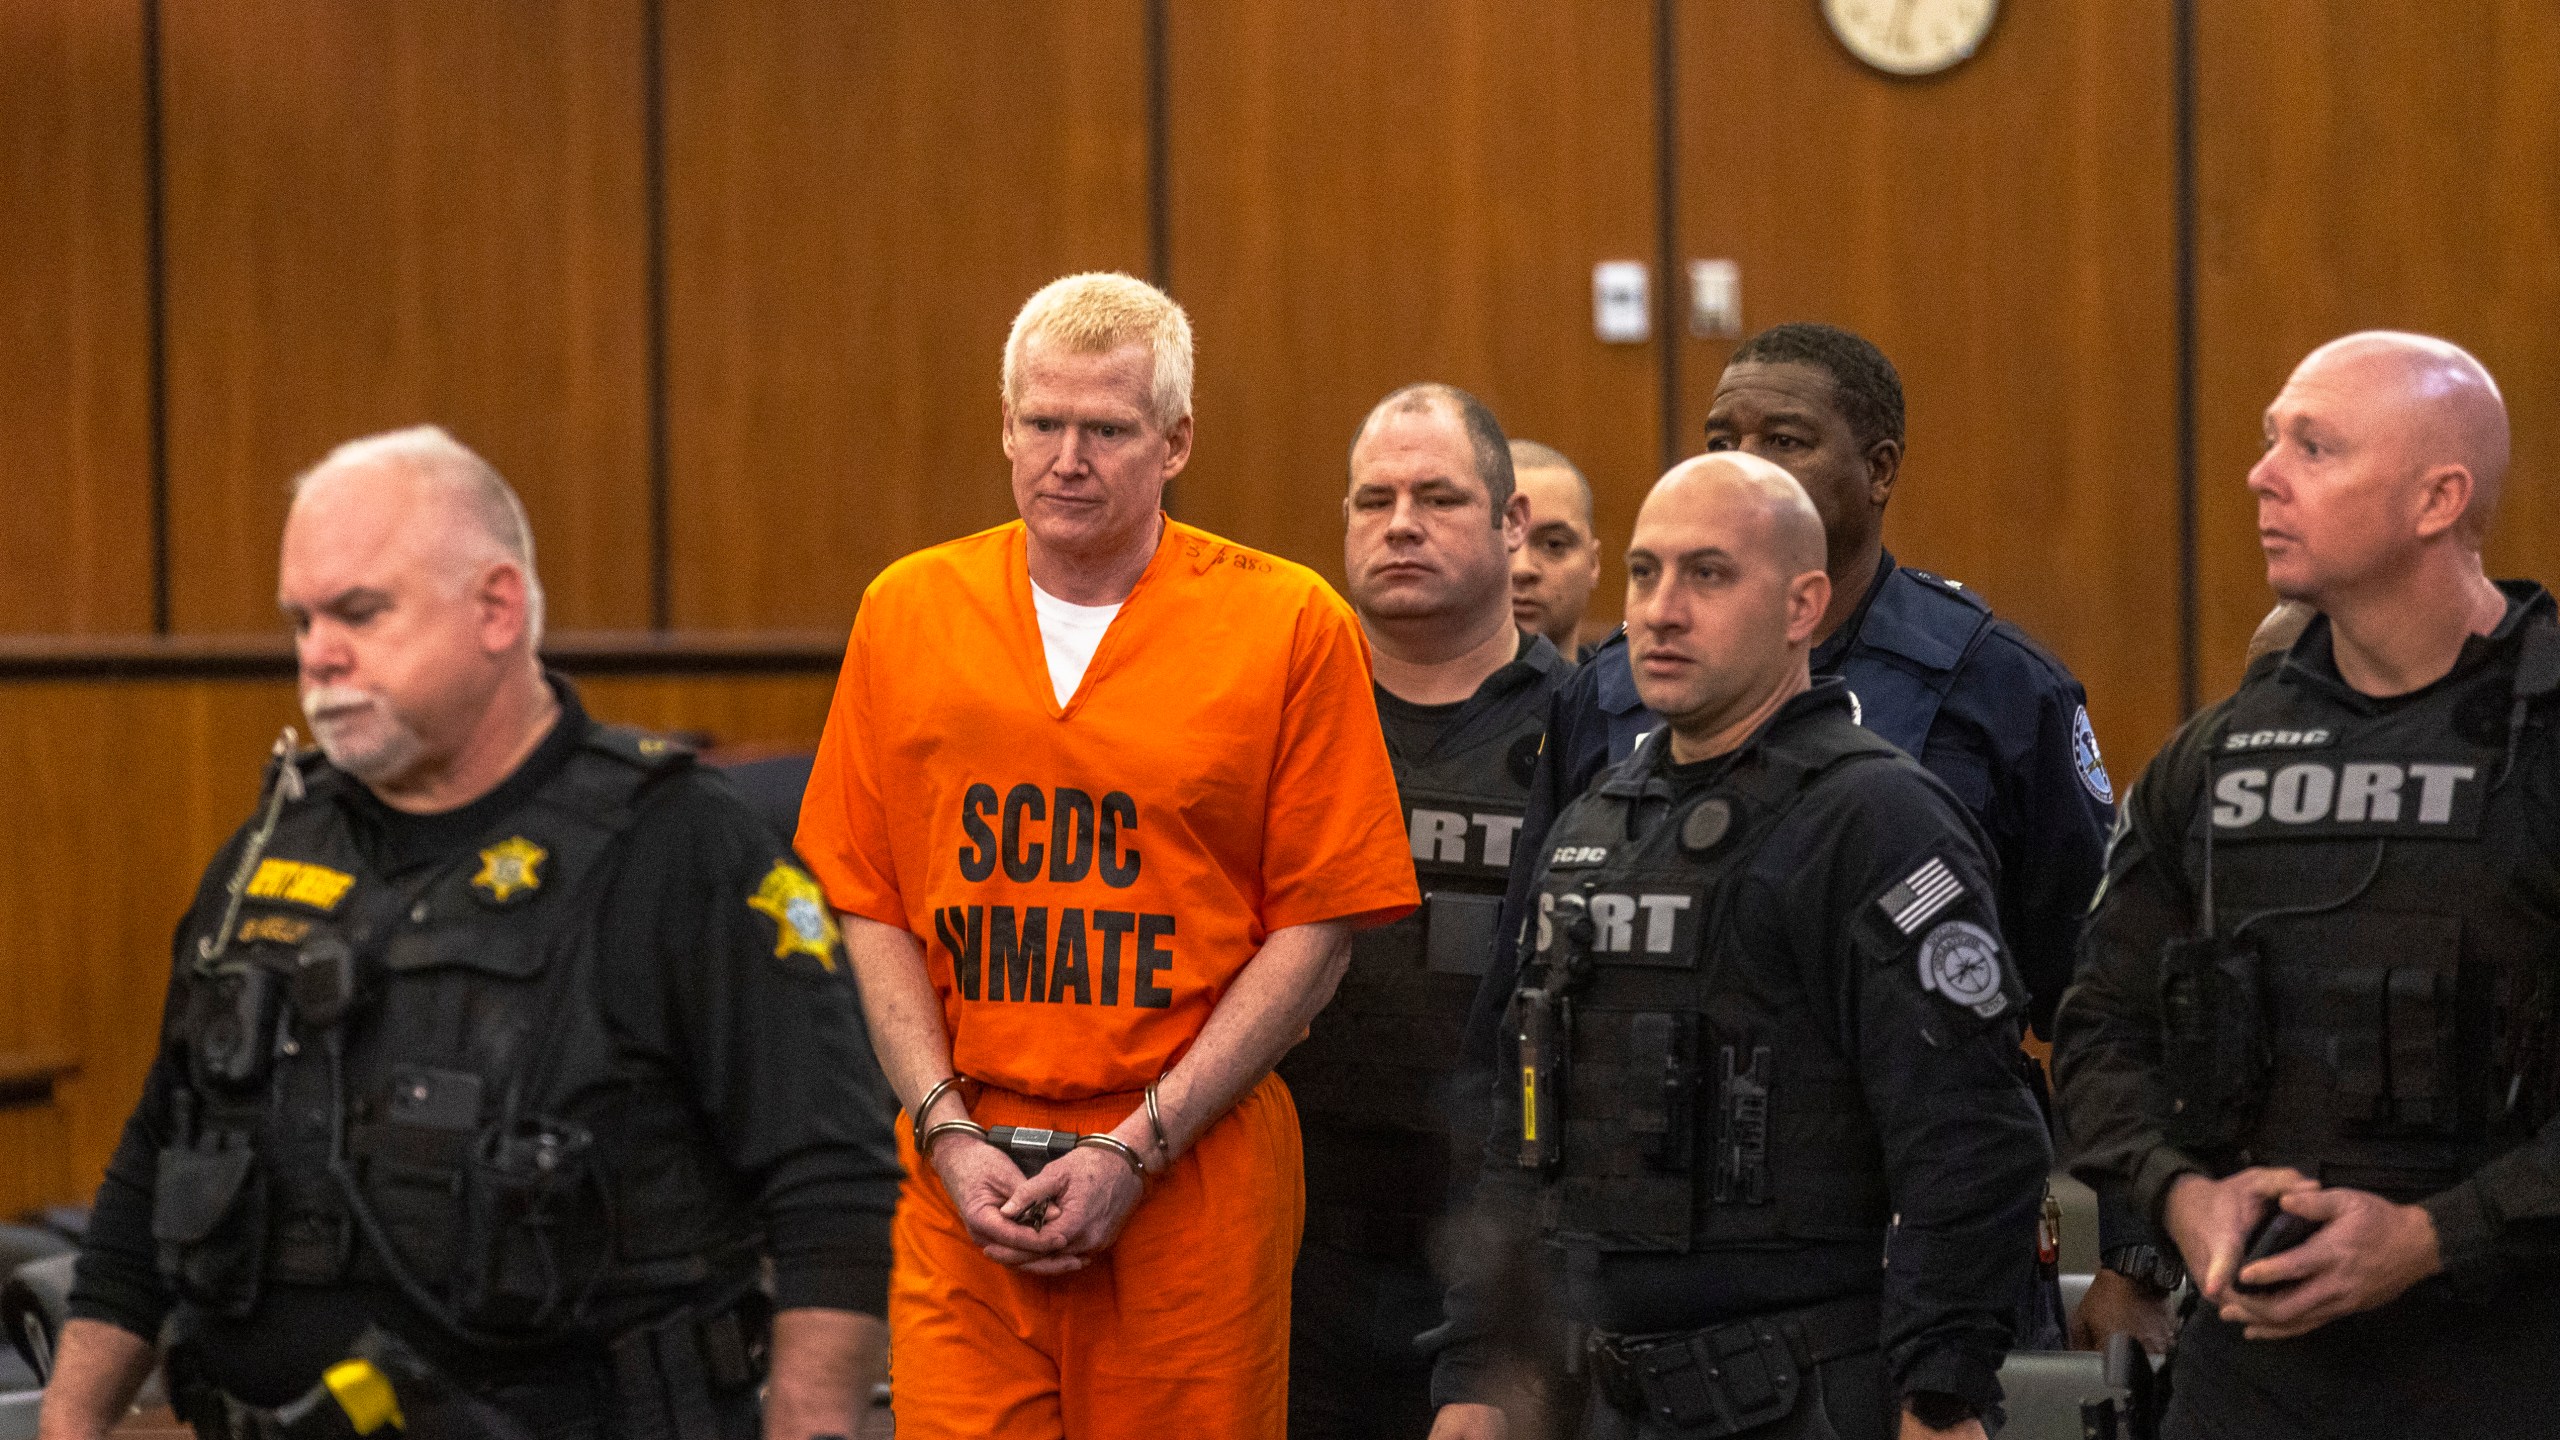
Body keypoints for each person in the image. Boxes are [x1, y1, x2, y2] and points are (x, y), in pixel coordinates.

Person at [40, 427, 901, 1440]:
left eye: (359, 612)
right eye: (302, 619)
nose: (319, 654)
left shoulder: (679, 849)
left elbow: (830, 1182)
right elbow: (160, 1151)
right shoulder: (269, 850)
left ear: (495, 608)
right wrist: (68, 1426)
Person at [792, 273, 1417, 1440]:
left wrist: (1140, 1145)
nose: (1066, 458)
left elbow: (1319, 929)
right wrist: (941, 1125)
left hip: (1193, 1165)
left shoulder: (1286, 623)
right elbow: (867, 898)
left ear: (1174, 441)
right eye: (1042, 423)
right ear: (1005, 424)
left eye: (1106, 429)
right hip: (962, 1154)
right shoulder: (907, 610)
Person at [1471, 323, 2141, 1352]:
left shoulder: (1996, 686)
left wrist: (2135, 1254)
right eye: (1717, 435)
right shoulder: (1607, 692)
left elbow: (2102, 994)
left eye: (1782, 438)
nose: (1739, 460)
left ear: (1877, 472)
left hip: (1894, 1269)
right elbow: (1518, 1000)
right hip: (1644, 1271)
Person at [1430, 452, 2050, 1440]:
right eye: (1643, 573)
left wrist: (1942, 1392)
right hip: (1594, 1394)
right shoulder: (1597, 820)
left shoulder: (1875, 819)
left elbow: (1969, 1138)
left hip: (1801, 1391)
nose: (1661, 610)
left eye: (1706, 575)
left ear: (1803, 604)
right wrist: (1477, 1366)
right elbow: (1518, 1123)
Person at [2053, 331, 2560, 1436]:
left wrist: (2431, 1238)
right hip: (2256, 1375)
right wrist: (2184, 1198)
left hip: (2513, 1358)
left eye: (2313, 447)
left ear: (2438, 498)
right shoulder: (2216, 757)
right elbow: (2097, 1033)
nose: (2260, 473)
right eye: (2267, 440)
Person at [1277, 385, 1571, 1439]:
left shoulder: (1588, 735)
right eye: (1372, 500)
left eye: (1437, 497)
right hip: (1291, 1254)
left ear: (1510, 527)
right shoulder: (1274, 713)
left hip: (1506, 1263)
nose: (1398, 523)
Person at [1508, 440, 1604, 662]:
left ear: (1593, 563)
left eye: (1553, 544)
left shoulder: (1629, 695)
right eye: (1505, 540)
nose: (1522, 569)